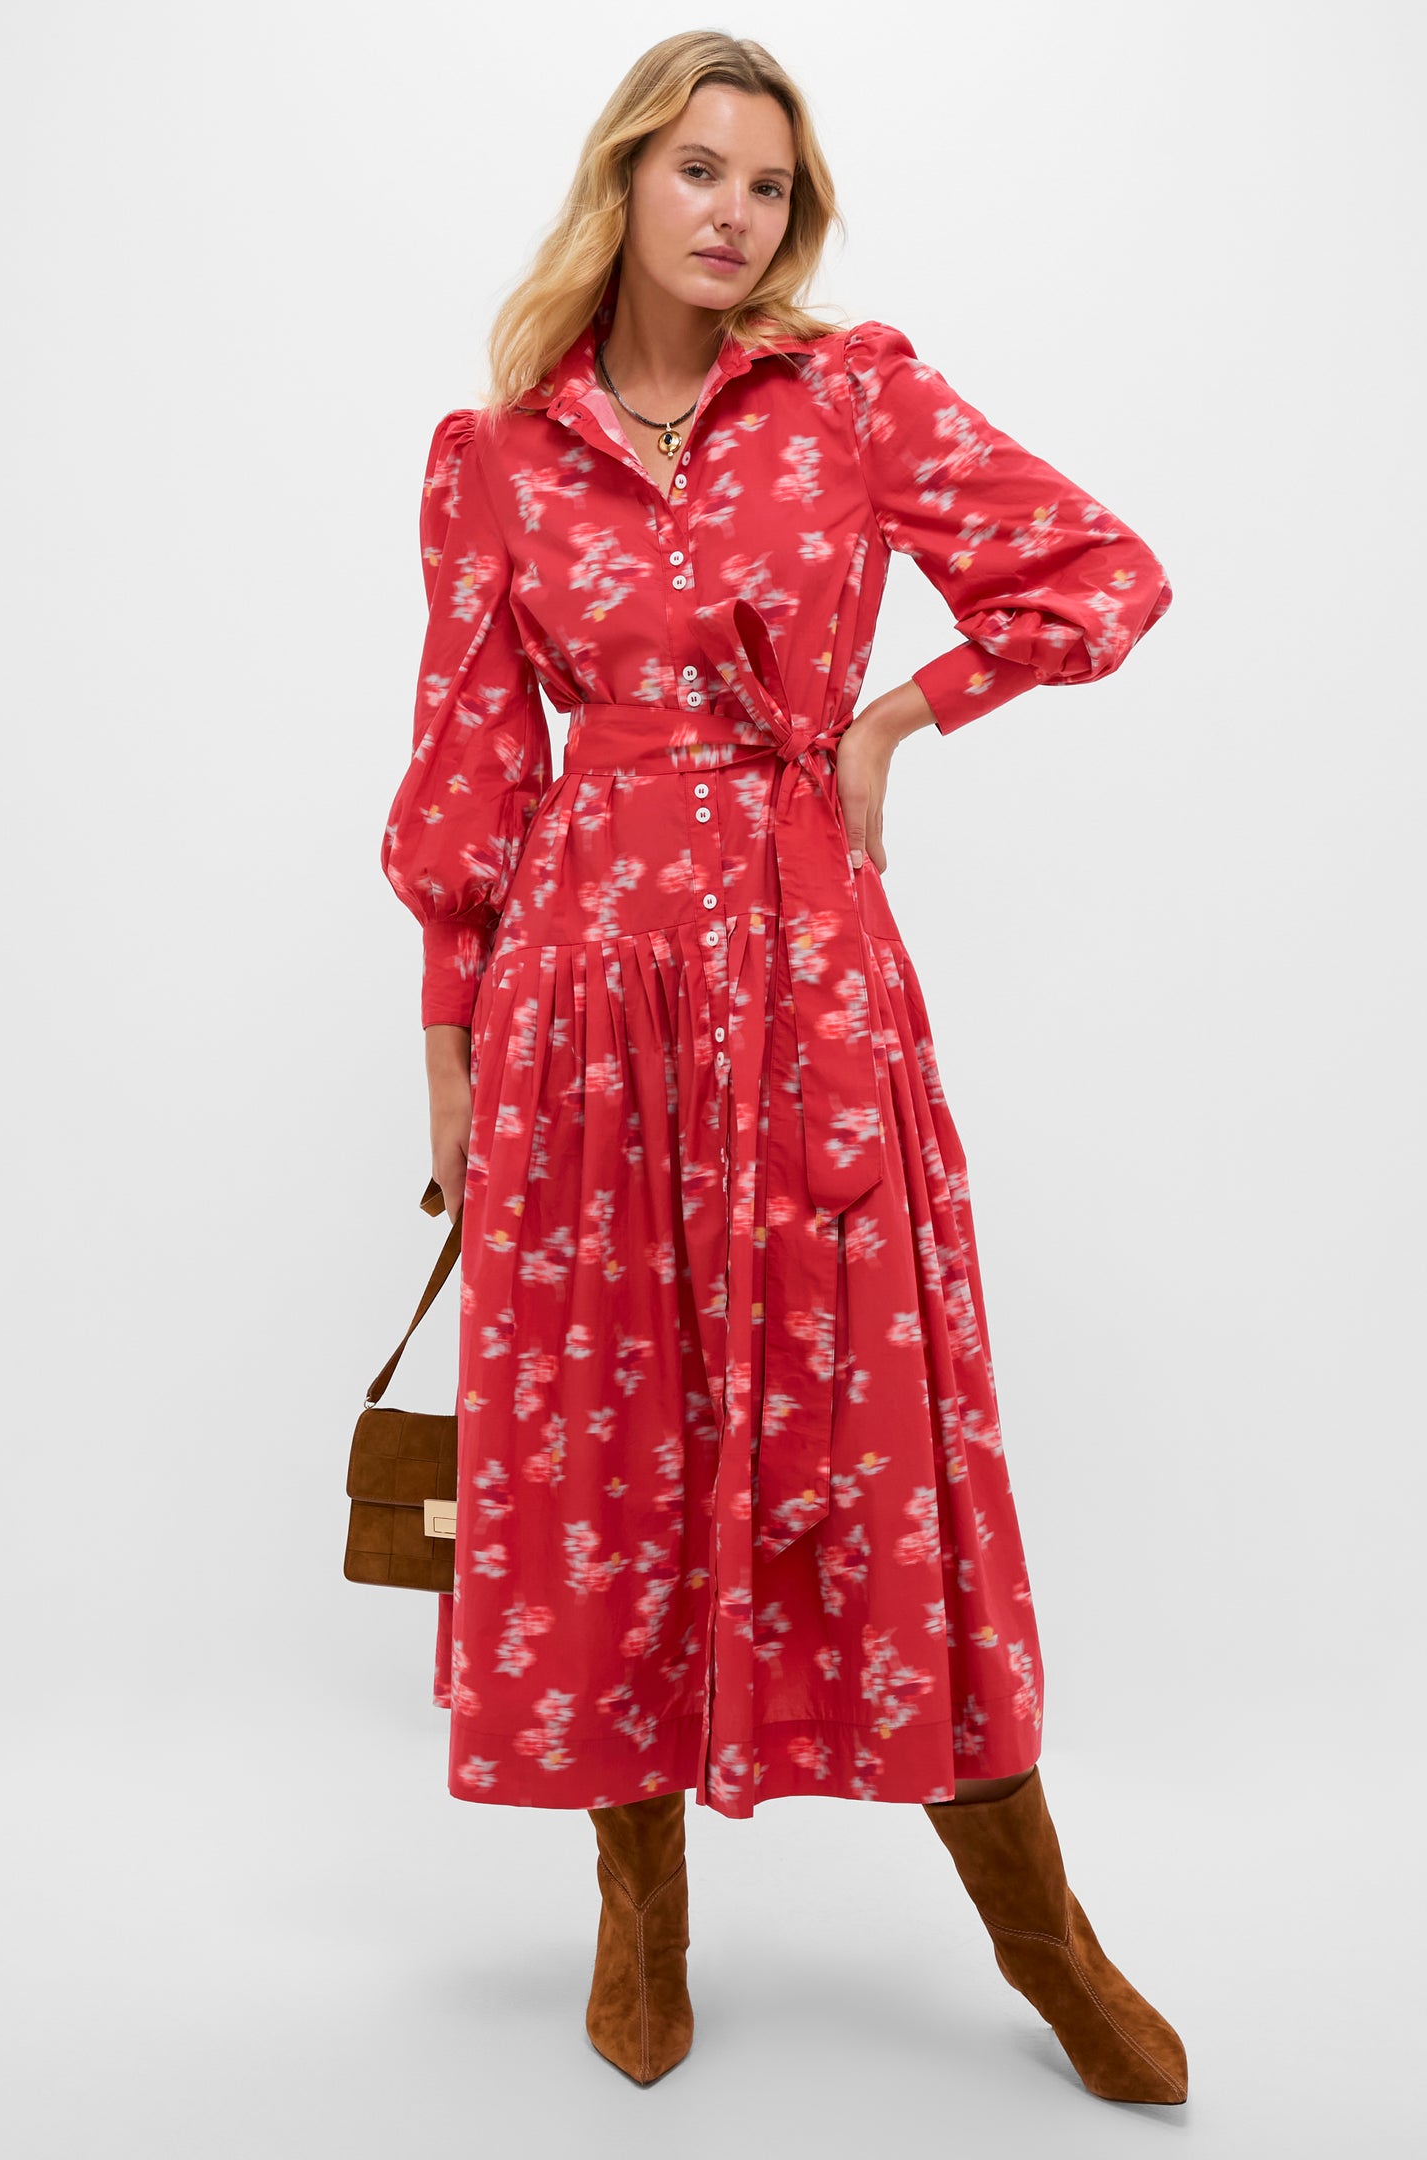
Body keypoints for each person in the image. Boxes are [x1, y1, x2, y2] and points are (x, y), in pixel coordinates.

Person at [380, 28, 1184, 2105]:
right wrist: (450, 1061)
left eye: (771, 187)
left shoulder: (852, 396)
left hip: (810, 983)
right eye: (701, 172)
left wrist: (897, 715)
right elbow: (468, 774)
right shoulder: (496, 459)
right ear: (623, 183)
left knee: (888, 1448)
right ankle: (638, 1912)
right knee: (610, 1452)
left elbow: (1101, 572)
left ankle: (1043, 1931)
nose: (736, 214)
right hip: (578, 1004)